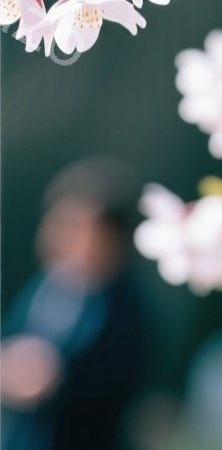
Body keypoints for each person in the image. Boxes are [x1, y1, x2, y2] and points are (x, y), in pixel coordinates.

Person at [1, 157, 153, 450]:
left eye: (79, 227)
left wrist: (56, 378)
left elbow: (122, 373)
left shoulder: (126, 305)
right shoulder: (43, 287)